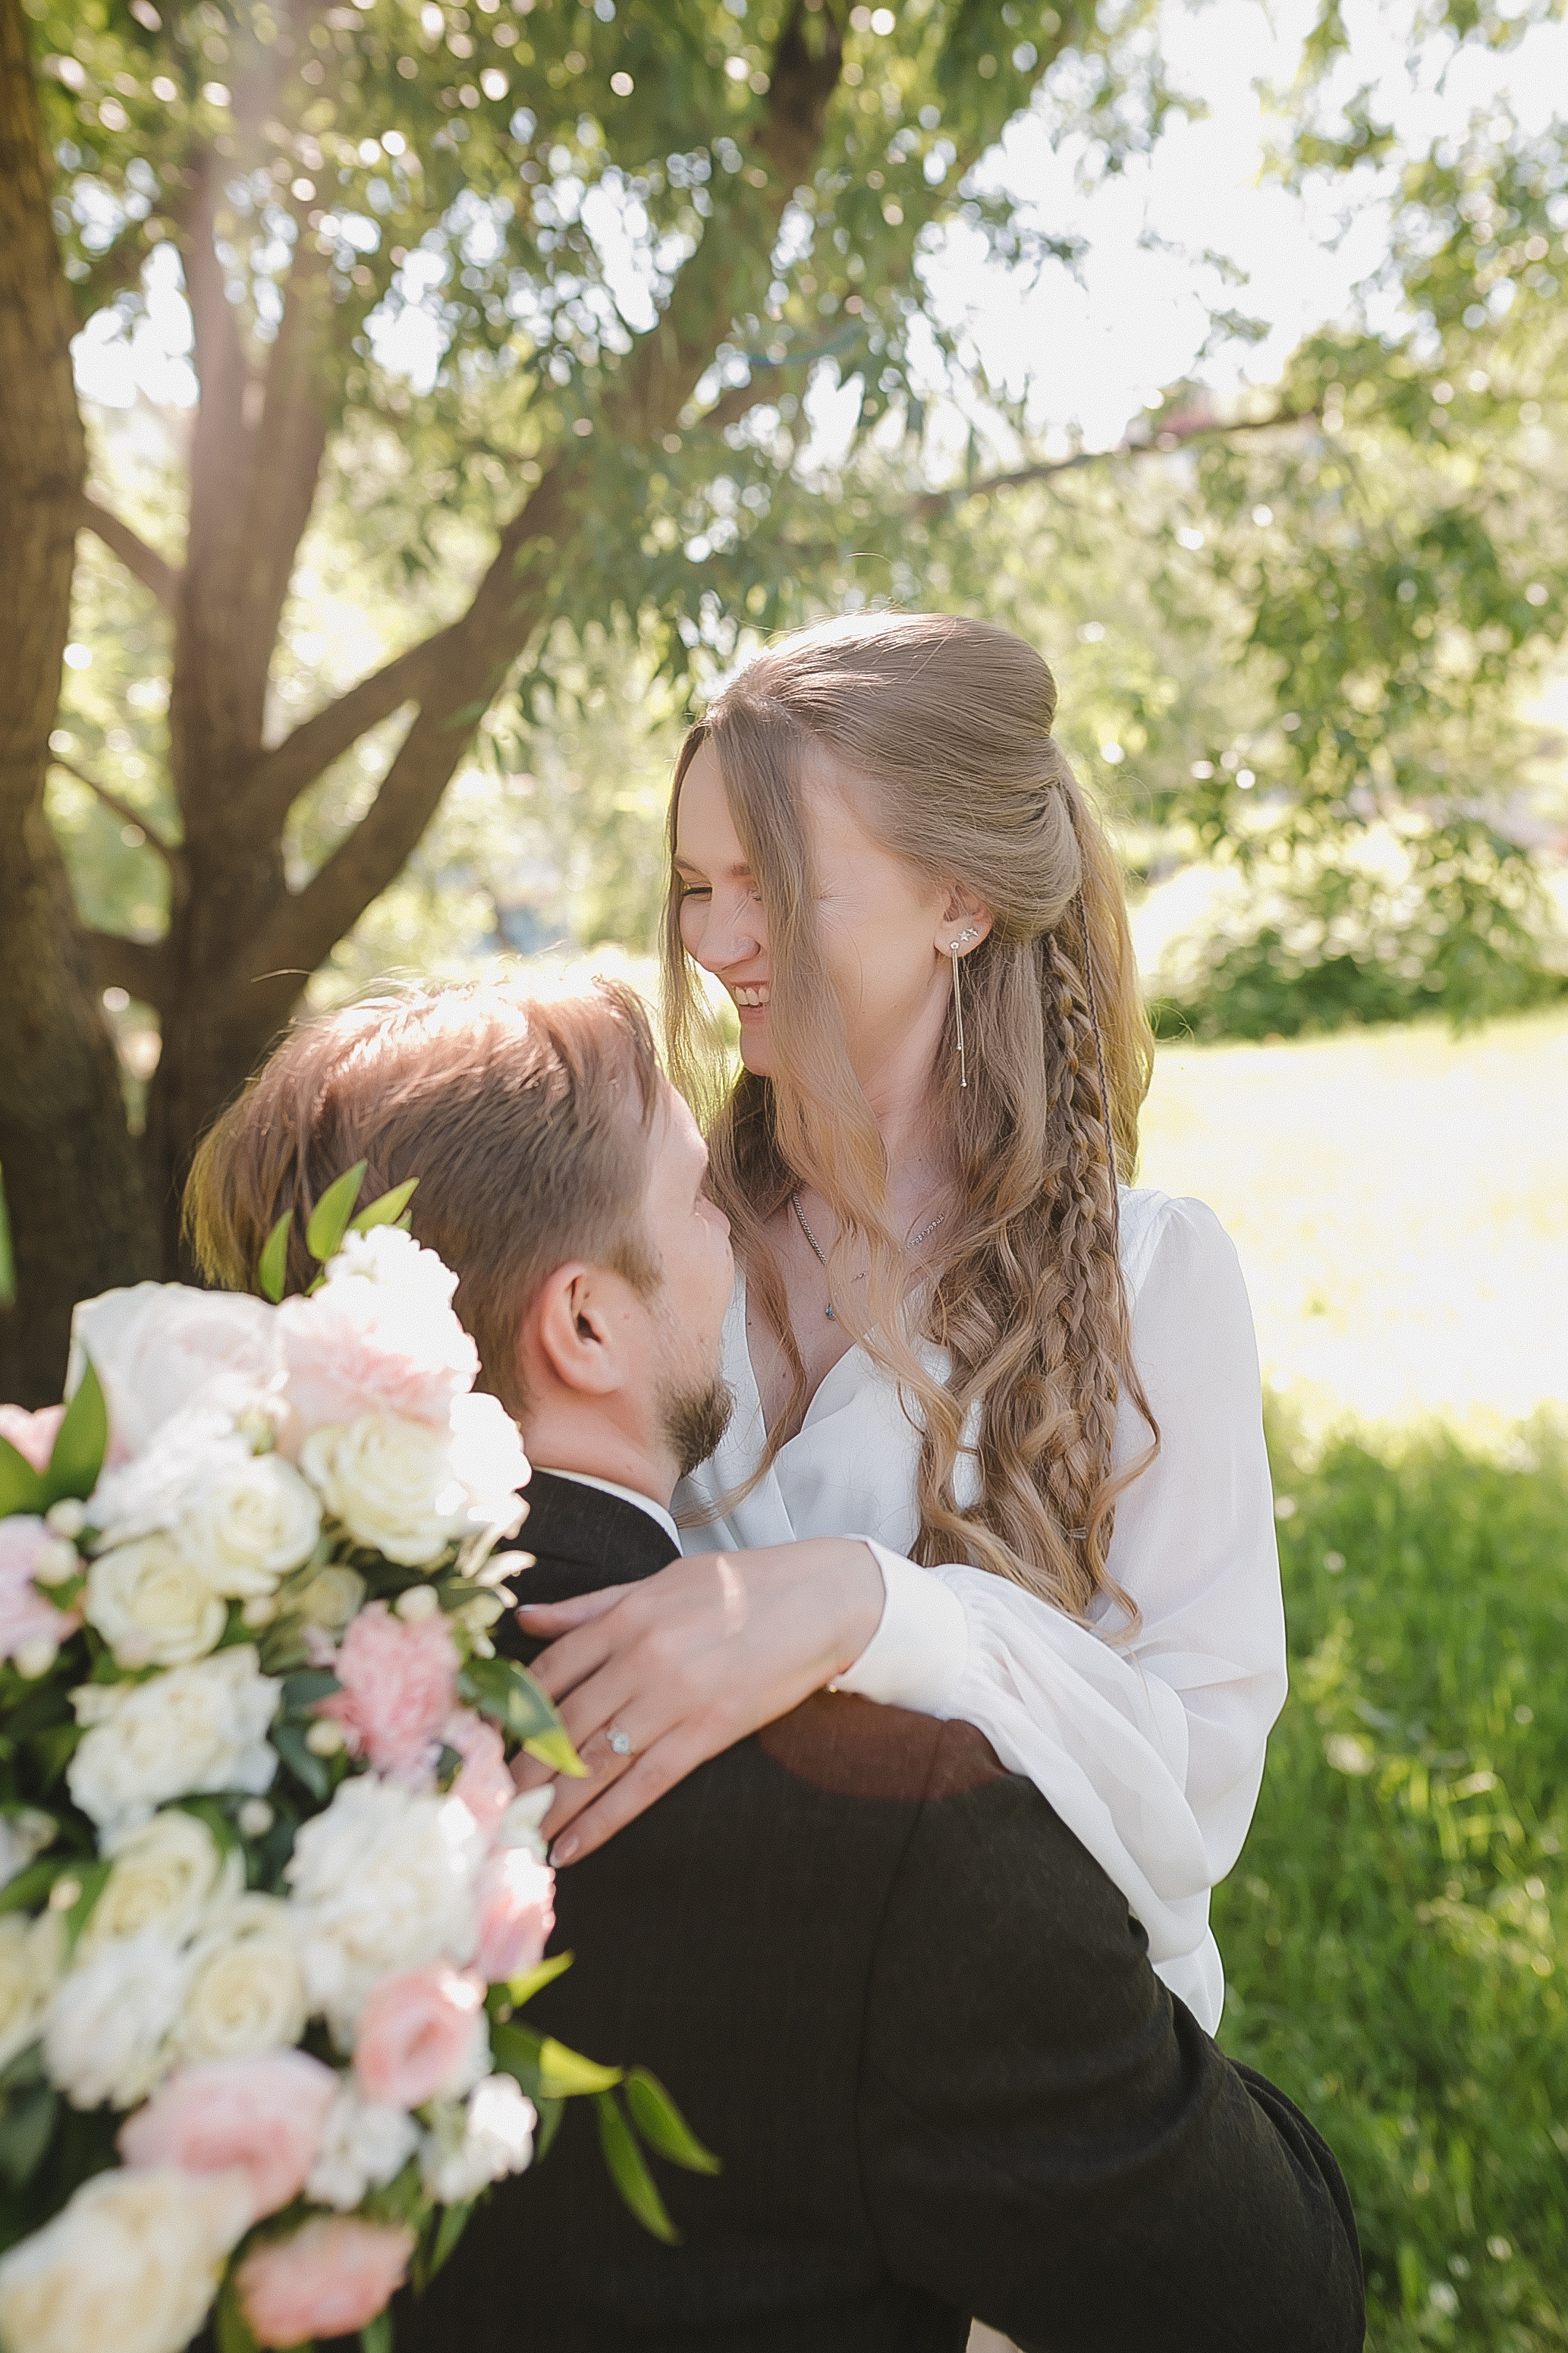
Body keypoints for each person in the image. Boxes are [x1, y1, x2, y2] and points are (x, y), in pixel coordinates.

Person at [187, 978, 1364, 2353]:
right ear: (584, 1326)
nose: (741, 1235)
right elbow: (1280, 2307)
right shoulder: (907, 1843)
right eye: (698, 1199)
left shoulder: (178, 1727)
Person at [511, 611, 1284, 2033]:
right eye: (696, 885)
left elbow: (1192, 1789)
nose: (718, 939)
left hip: (1021, 2044)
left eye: (774, 883)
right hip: (680, 2022)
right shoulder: (648, 1240)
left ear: (961, 903)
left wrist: (876, 1610)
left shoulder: (1150, 1277)